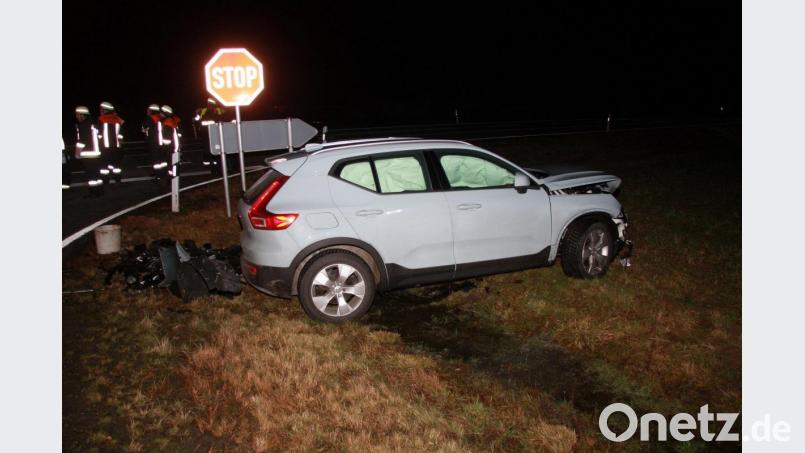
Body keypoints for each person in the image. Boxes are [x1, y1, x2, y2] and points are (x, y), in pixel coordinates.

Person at [74, 105, 103, 195]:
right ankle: (99, 190)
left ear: (83, 115)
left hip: (88, 153)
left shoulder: (83, 125)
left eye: (78, 115)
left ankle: (93, 193)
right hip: (96, 153)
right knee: (96, 173)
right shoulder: (94, 124)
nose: (77, 117)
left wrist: (77, 154)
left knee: (91, 174)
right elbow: (100, 137)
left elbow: (82, 141)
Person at [194, 97, 229, 172]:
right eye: (209, 104)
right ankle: (210, 164)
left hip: (216, 133)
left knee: (216, 148)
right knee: (208, 149)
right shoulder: (203, 111)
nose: (210, 105)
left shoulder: (218, 110)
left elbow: (225, 116)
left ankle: (217, 165)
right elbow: (196, 120)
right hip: (206, 133)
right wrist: (197, 114)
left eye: (211, 104)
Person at [97, 101, 125, 183]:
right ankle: (118, 179)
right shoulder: (117, 119)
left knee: (104, 166)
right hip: (116, 147)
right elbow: (121, 132)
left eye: (101, 109)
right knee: (116, 165)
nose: (100, 111)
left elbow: (99, 134)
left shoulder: (101, 119)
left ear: (105, 110)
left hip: (105, 147)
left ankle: (105, 180)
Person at [142, 104, 167, 182]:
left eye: (148, 110)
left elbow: (143, 129)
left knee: (156, 160)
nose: (147, 111)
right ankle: (162, 173)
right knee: (162, 159)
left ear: (151, 111)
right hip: (162, 142)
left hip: (154, 142)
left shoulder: (150, 119)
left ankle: (158, 175)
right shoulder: (162, 118)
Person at [160, 105, 181, 181]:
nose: (160, 114)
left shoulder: (167, 122)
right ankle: (173, 177)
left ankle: (172, 180)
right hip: (175, 146)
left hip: (170, 147)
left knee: (171, 164)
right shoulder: (172, 120)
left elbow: (167, 139)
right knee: (174, 164)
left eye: (161, 113)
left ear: (165, 113)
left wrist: (162, 146)